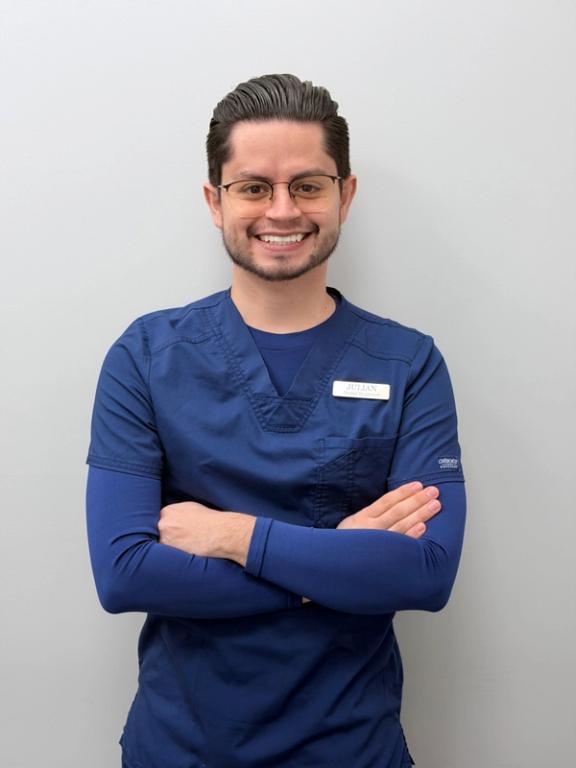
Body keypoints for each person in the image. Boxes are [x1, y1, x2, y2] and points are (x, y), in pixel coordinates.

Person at [86, 73, 466, 768]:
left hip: (351, 747)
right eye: (254, 187)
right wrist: (335, 559)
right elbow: (125, 575)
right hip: (184, 747)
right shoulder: (145, 356)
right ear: (215, 200)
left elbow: (425, 574)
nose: (282, 210)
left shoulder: (409, 363)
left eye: (309, 185)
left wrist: (232, 534)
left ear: (345, 196)